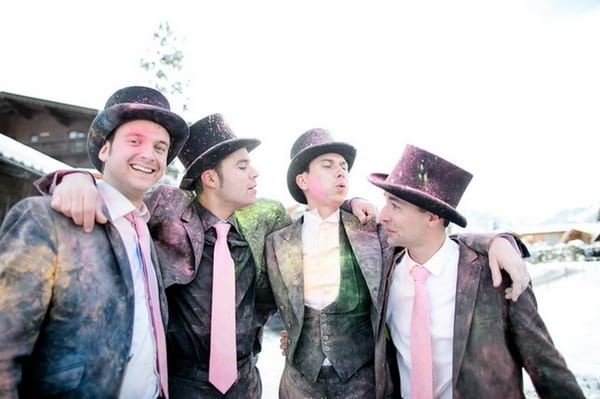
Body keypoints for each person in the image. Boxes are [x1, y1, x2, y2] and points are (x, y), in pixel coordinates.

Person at [37, 114, 375, 398]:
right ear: (211, 178)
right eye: (243, 166)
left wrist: (350, 202)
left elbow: (316, 218)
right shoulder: (168, 207)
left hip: (246, 382)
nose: (255, 173)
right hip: (183, 383)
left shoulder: (264, 219)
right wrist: (76, 177)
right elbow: (124, 195)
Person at [265, 130, 530, 399]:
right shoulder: (276, 242)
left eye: (344, 166)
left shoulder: (372, 232)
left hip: (365, 384)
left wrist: (496, 240)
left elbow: (433, 237)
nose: (341, 172)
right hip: (299, 386)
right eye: (328, 165)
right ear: (303, 180)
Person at [0, 86, 190, 398]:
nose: (148, 154)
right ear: (104, 150)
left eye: (160, 147)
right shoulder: (43, 220)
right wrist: (74, 176)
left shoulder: (148, 231)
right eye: (134, 141)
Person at [369, 144, 585, 398]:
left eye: (395, 206)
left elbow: (546, 365)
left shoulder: (493, 274)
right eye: (385, 203)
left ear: (431, 217)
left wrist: (500, 241)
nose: (382, 216)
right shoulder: (383, 271)